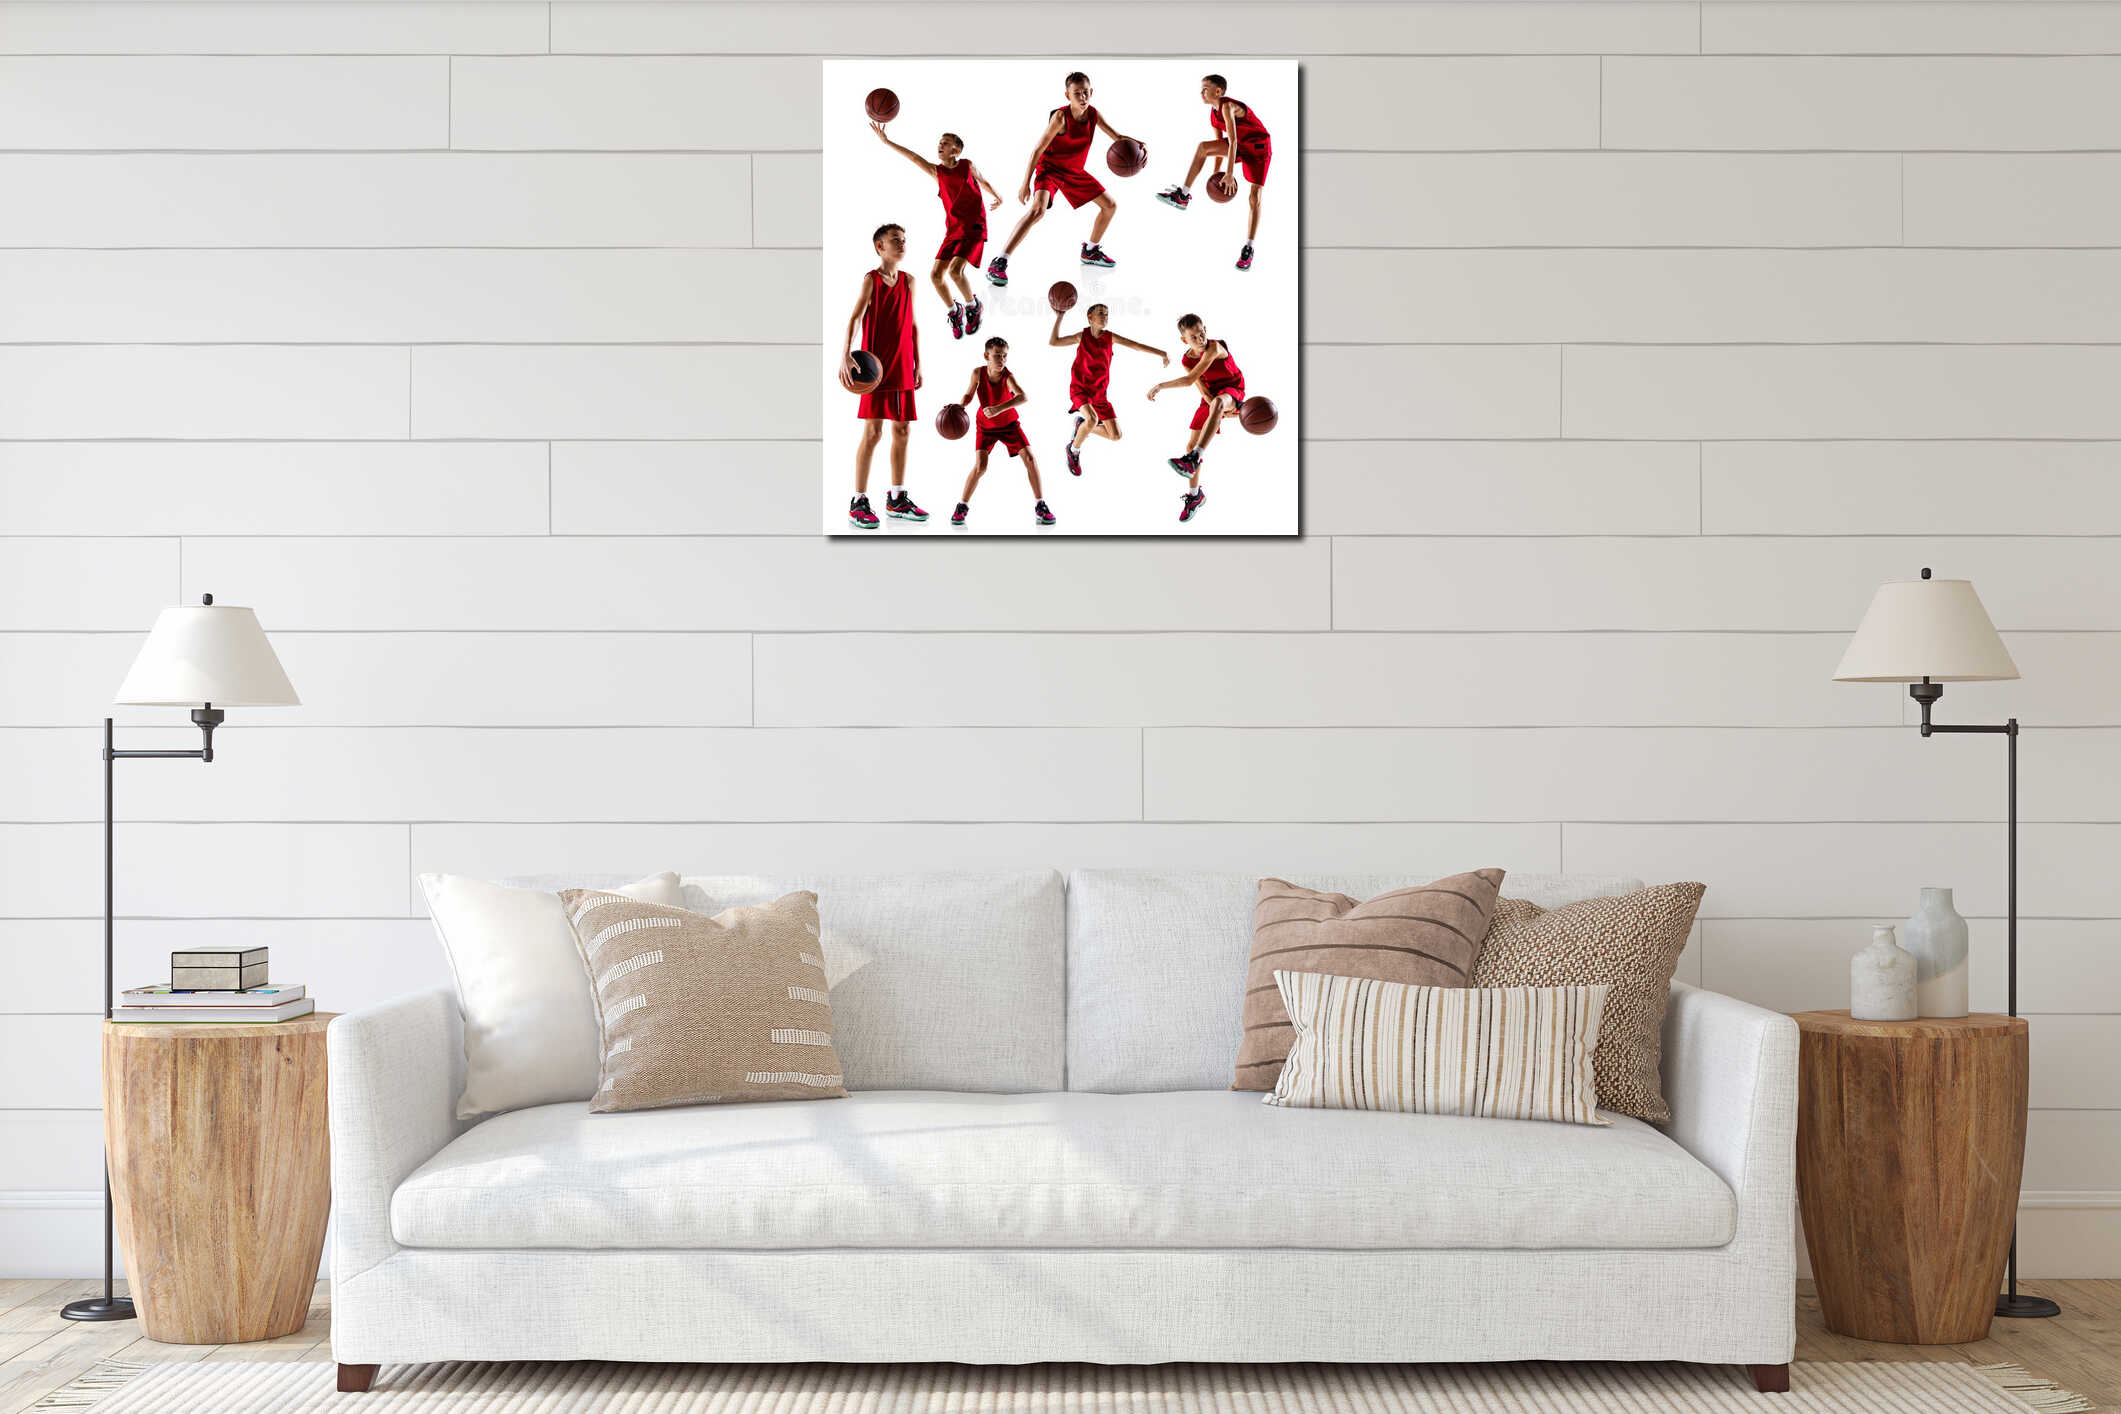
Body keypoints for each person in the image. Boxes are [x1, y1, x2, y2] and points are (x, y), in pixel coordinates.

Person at [984, 71, 1140, 286]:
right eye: (1077, 93)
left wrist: (1138, 145)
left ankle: (1090, 250)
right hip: (1050, 169)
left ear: (1091, 92)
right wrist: (1025, 183)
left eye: (1085, 92)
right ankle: (999, 261)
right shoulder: (1060, 117)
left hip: (1074, 171)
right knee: (1037, 211)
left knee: (1110, 206)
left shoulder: (1093, 114)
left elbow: (1117, 137)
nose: (1082, 97)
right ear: (1068, 95)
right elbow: (1037, 150)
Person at [869, 122, 1002, 339]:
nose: (940, 145)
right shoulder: (937, 172)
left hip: (974, 226)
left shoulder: (967, 165)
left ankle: (973, 306)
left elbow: (983, 180)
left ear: (956, 150)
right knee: (935, 276)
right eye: (940, 142)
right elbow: (913, 157)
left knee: (955, 271)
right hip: (954, 230)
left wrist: (997, 195)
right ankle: (954, 310)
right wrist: (887, 141)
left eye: (946, 143)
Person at [838, 223, 927, 528]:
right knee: (873, 433)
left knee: (902, 431)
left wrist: (918, 363)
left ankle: (897, 498)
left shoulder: (910, 281)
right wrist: (845, 353)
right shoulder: (871, 280)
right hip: (875, 368)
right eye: (895, 240)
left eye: (904, 240)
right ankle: (858, 501)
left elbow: (912, 325)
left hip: (902, 365)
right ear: (880, 247)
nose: (902, 244)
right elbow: (855, 318)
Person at [1155, 73, 1273, 271]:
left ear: (1218, 91)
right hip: (1240, 146)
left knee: (1255, 196)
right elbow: (1220, 146)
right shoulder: (1213, 113)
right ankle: (1182, 195)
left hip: (1258, 148)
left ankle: (1249, 248)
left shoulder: (1227, 107)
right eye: (1201, 89)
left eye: (1205, 89)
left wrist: (1229, 173)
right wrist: (1216, 173)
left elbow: (1232, 142)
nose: (1201, 92)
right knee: (1203, 147)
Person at [1146, 312, 1244, 523]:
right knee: (1191, 444)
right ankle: (1195, 496)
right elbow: (1202, 389)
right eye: (1194, 337)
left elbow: (1189, 380)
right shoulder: (1187, 359)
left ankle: (1195, 457)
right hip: (1212, 396)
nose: (1200, 339)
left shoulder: (1215, 348)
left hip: (1232, 389)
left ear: (1205, 329)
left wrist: (1160, 385)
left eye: (1201, 334)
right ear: (1184, 340)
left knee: (1216, 408)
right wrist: (1219, 412)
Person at [1049, 302, 1168, 476]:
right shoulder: (1081, 336)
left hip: (1099, 395)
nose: (1104, 316)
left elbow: (1136, 345)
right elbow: (1054, 342)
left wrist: (1161, 353)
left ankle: (1082, 425)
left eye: (1106, 313)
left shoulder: (1110, 337)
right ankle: (1073, 450)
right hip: (1080, 390)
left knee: (1115, 435)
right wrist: (1060, 317)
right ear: (1090, 318)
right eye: (1100, 313)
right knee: (1093, 418)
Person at [950, 337, 1054, 527]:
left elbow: (1023, 396)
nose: (1002, 360)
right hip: (985, 427)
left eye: (1005, 356)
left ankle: (1040, 505)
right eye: (997, 356)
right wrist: (960, 405)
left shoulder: (1008, 377)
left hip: (1009, 425)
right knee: (980, 467)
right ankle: (961, 506)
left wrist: (998, 409)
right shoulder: (977, 373)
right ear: (986, 356)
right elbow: (968, 394)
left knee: (1030, 459)